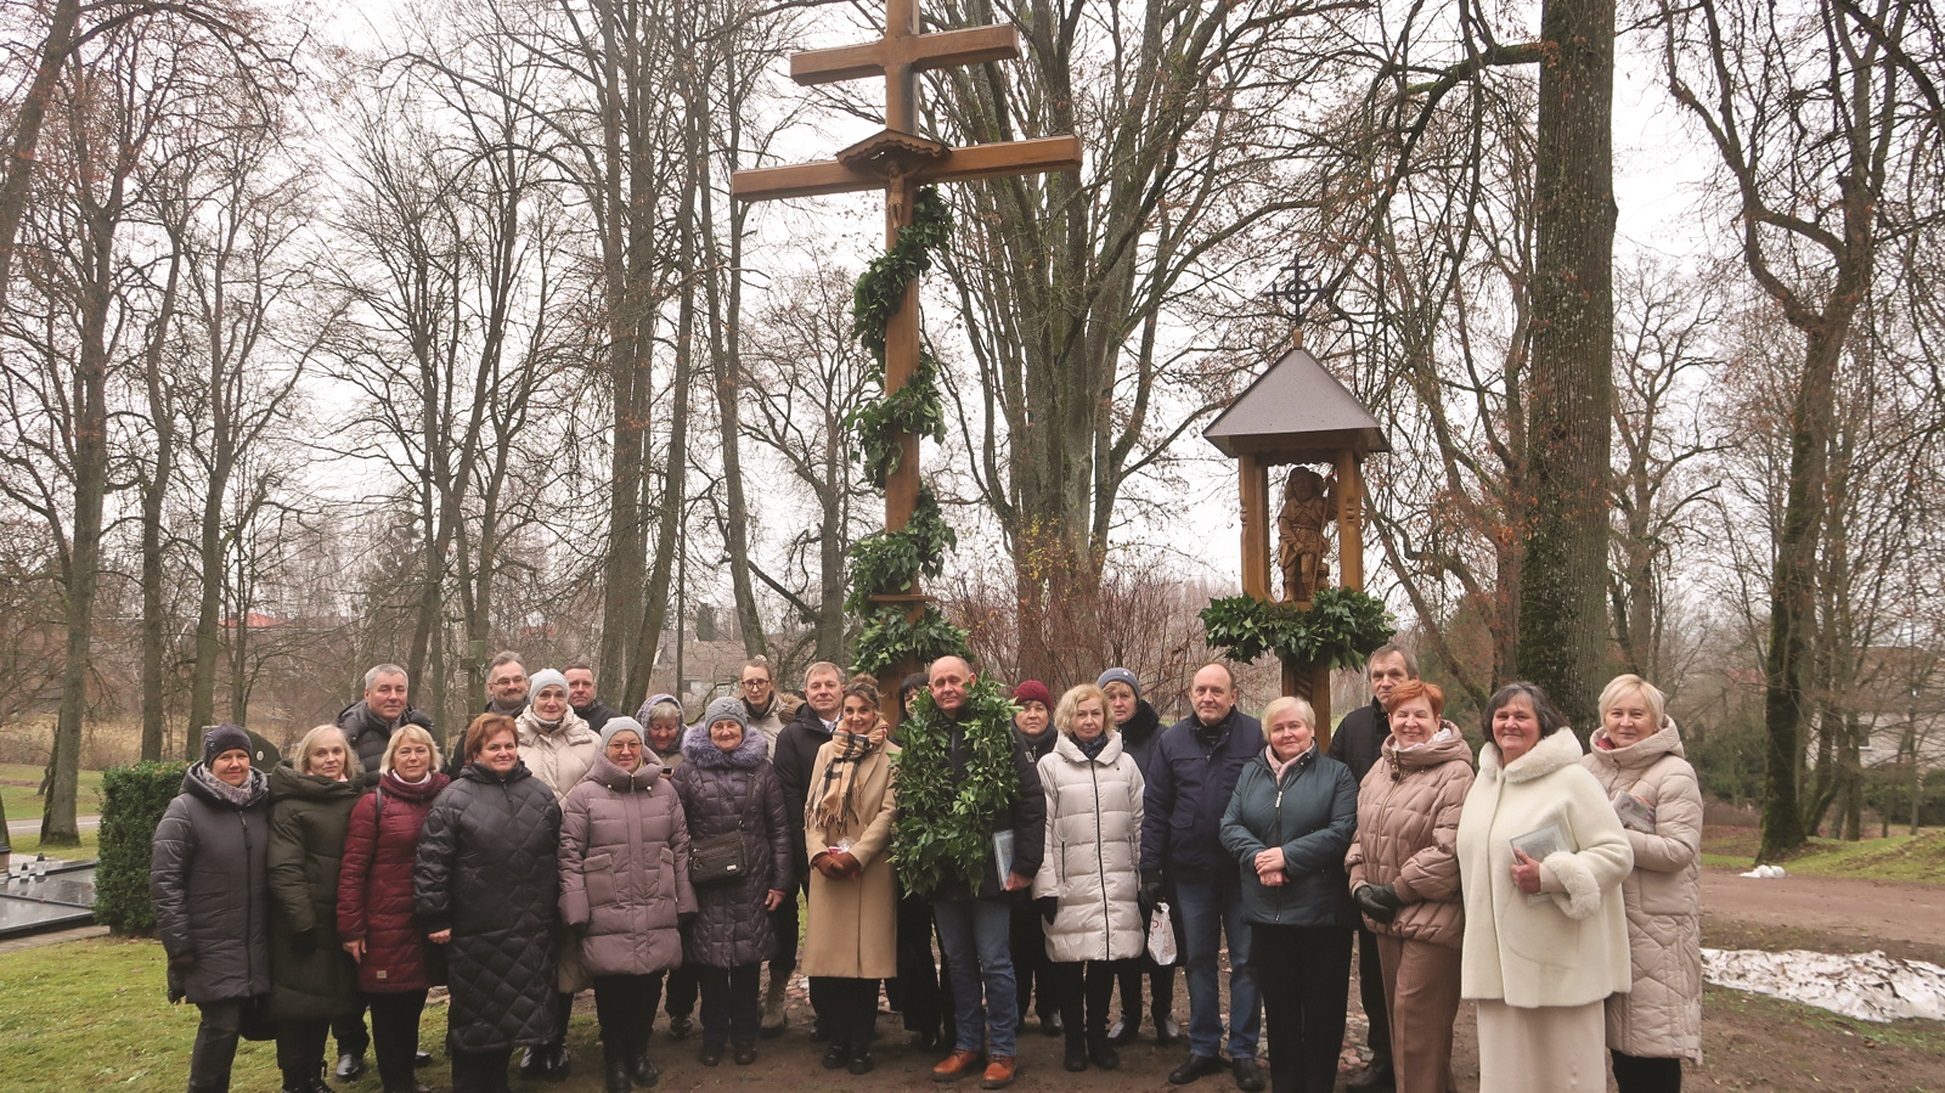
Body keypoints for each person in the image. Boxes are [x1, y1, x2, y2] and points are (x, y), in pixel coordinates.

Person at [1457, 682, 1634, 1092]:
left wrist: (1554, 875)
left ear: (1543, 724)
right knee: (1508, 1077)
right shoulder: (1483, 783)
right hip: (1498, 967)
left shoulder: (1572, 779)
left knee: (1565, 1076)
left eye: (1522, 716)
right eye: (1502, 716)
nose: (1510, 724)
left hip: (1559, 964)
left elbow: (1616, 852)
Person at [898, 655, 1045, 1091]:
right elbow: (908, 802)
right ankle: (966, 1044)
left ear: (971, 682)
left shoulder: (999, 729)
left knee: (995, 961)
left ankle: (1002, 1050)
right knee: (957, 961)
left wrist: (1024, 865)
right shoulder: (920, 734)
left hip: (990, 871)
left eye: (953, 681)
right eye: (938, 682)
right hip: (943, 872)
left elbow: (1030, 800)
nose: (946, 688)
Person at [416, 714, 563, 1093]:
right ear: (475, 752)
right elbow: (433, 862)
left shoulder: (539, 794)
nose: (503, 752)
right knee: (478, 1022)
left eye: (509, 745)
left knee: (516, 1015)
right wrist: (435, 916)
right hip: (477, 930)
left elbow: (558, 854)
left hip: (530, 927)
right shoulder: (453, 799)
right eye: (494, 746)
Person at [1219, 697, 1358, 1093]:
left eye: (1295, 725)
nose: (1287, 734)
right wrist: (1262, 859)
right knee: (1279, 1013)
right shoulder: (1251, 773)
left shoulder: (1337, 774)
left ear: (1312, 729)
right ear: (1268, 734)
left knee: (1322, 1014)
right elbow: (1229, 825)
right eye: (1278, 728)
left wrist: (1287, 858)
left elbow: (1341, 830)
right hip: (1268, 914)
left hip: (1322, 915)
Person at [1343, 680, 1473, 1093]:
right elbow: (1361, 834)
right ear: (1391, 720)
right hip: (1383, 915)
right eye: (1402, 714)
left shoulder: (1456, 773)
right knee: (1409, 1033)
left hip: (1431, 917)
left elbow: (1449, 850)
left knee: (1417, 1032)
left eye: (1421, 714)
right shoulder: (1382, 769)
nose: (1410, 723)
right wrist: (1359, 885)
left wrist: (1396, 890)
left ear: (1438, 720)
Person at [1142, 663, 1266, 1091]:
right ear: (1190, 695)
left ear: (1233, 695)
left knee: (1248, 963)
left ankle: (1245, 1051)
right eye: (1200, 690)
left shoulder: (1255, 736)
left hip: (1243, 874)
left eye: (1217, 690)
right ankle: (1204, 1047)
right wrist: (1150, 867)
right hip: (1190, 872)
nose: (1207, 697)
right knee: (1197, 961)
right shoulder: (1172, 740)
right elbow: (1156, 806)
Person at [559, 716, 696, 1092]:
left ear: (642, 747)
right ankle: (615, 1059)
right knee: (613, 988)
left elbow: (680, 846)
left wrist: (684, 898)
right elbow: (569, 853)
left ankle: (639, 1052)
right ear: (605, 749)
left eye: (632, 745)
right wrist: (575, 907)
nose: (625, 752)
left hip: (656, 903)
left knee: (650, 985)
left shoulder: (663, 792)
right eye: (617, 745)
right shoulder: (585, 794)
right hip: (608, 908)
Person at [1582, 675, 1703, 1091]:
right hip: (1598, 923)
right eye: (1617, 713)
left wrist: (1607, 835)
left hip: (1654, 933)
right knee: (1610, 1048)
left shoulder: (1674, 773)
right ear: (1604, 717)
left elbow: (1677, 851)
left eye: (1638, 713)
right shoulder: (1586, 768)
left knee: (1649, 1052)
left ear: (1656, 719)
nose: (1626, 722)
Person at [152, 724, 273, 1093]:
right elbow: (165, 881)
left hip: (255, 939)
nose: (235, 764)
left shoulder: (262, 803)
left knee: (238, 1026)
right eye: (225, 757)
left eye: (241, 756)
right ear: (210, 762)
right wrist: (179, 946)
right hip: (209, 942)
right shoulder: (184, 810)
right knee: (221, 1025)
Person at [671, 697, 791, 1066]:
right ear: (707, 730)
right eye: (718, 726)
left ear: (743, 730)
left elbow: (780, 830)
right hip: (705, 879)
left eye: (732, 726)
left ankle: (744, 1035)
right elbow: (675, 829)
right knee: (709, 962)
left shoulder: (763, 771)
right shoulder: (687, 772)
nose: (725, 732)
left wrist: (781, 881)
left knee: (746, 962)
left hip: (752, 879)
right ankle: (713, 1035)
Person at [1033, 683, 1145, 1073]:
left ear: (1106, 717)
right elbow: (1041, 829)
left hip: (1115, 882)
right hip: (1068, 882)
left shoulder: (1125, 765)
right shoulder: (1050, 766)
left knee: (1103, 962)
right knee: (1066, 963)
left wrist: (1144, 876)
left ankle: (1097, 1036)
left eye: (1096, 713)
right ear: (1068, 718)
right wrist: (1045, 885)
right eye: (1081, 714)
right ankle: (1074, 1041)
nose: (1089, 720)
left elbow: (1140, 823)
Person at [338, 724, 450, 1093]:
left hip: (430, 919)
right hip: (386, 921)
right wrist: (352, 928)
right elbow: (353, 869)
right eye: (405, 752)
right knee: (389, 1007)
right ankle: (396, 1083)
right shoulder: (374, 804)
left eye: (420, 751)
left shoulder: (447, 796)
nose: (413, 758)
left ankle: (406, 1075)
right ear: (392, 758)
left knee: (415, 998)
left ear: (431, 756)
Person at [801, 676, 901, 1075]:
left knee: (865, 966)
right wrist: (819, 855)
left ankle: (861, 1042)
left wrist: (857, 856)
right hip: (829, 871)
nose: (856, 718)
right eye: (850, 711)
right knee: (835, 965)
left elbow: (890, 813)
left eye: (864, 710)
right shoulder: (827, 752)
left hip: (869, 871)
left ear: (876, 712)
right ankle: (838, 1038)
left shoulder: (894, 755)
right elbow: (812, 811)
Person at [1329, 644, 1415, 1091]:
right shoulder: (1355, 727)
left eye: (1394, 673)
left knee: (1416, 983)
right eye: (1378, 674)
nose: (1385, 682)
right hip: (1366, 874)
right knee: (1374, 977)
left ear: (1411, 678)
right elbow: (1338, 796)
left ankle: (1416, 1066)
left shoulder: (1426, 724)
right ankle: (1383, 1059)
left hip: (1418, 879)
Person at [268, 726, 368, 1093]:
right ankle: (297, 1079)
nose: (330, 760)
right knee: (298, 1007)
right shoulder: (289, 805)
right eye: (321, 753)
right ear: (307, 759)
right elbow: (284, 867)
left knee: (331, 1001)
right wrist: (302, 922)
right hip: (304, 923)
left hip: (343, 918)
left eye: (336, 752)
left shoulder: (356, 795)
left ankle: (318, 1070)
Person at [516, 668, 600, 1079]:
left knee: (567, 951)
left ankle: (558, 1040)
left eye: (559, 695)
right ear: (532, 698)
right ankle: (534, 1041)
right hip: (525, 863)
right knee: (534, 953)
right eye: (544, 694)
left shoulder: (589, 740)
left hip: (577, 860)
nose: (552, 702)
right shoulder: (512, 739)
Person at [1097, 666, 1180, 1047]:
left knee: (1159, 933)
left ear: (1137, 697)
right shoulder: (1096, 739)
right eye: (1110, 695)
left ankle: (1162, 1011)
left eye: (1124, 695)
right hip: (1112, 857)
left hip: (1157, 854)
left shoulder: (1162, 738)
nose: (1118, 702)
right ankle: (1130, 1013)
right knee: (1125, 941)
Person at [767, 660, 844, 1036]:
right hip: (811, 851)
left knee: (845, 933)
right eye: (815, 686)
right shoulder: (792, 737)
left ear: (841, 689)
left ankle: (853, 1011)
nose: (823, 691)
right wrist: (807, 852)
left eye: (829, 684)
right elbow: (790, 796)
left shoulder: (856, 725)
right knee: (819, 937)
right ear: (806, 692)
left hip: (852, 849)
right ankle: (826, 1015)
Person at [889, 671, 954, 1051]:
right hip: (906, 861)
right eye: (907, 696)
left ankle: (955, 1019)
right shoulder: (894, 743)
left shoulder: (951, 738)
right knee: (913, 946)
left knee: (952, 946)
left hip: (947, 859)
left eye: (920, 693)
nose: (914, 701)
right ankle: (924, 1021)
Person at [635, 692, 699, 1041]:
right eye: (656, 727)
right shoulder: (632, 752)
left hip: (684, 850)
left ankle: (681, 1008)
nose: (663, 734)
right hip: (644, 853)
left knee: (686, 938)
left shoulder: (692, 754)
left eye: (669, 727)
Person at [1008, 679, 1062, 1038]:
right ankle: (1015, 1007)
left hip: (1055, 855)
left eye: (1039, 707)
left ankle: (1050, 1007)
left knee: (1051, 938)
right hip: (1013, 855)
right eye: (1024, 707)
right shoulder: (1002, 748)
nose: (1032, 714)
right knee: (1016, 940)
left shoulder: (1063, 748)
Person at [738, 657, 801, 755]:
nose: (755, 689)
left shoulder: (792, 718)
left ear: (771, 684)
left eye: (761, 682)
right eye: (749, 683)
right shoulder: (732, 722)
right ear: (742, 687)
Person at [564, 661, 622, 734]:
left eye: (586, 684)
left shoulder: (614, 722)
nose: (580, 690)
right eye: (573, 684)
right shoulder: (552, 721)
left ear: (594, 689)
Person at [484, 652, 530, 716]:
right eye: (504, 681)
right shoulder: (481, 725)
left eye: (517, 680)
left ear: (526, 683)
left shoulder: (542, 722)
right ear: (490, 688)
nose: (512, 686)